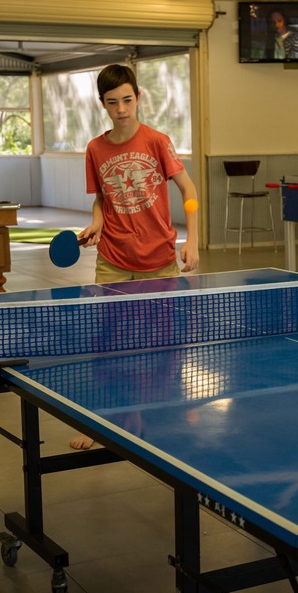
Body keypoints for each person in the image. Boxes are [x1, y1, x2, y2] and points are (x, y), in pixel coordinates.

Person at [73, 63, 200, 450]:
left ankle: (144, 412)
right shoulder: (95, 148)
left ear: (138, 97)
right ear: (103, 105)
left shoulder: (158, 141)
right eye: (113, 103)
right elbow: (101, 197)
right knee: (109, 341)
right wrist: (96, 223)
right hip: (112, 258)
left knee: (157, 342)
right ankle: (106, 420)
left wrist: (192, 239)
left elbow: (188, 188)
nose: (122, 109)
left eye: (128, 100)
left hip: (158, 258)